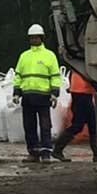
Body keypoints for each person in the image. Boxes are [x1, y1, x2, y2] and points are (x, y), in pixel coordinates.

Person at [12, 24, 62, 162]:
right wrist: (16, 92)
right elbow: (18, 76)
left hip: (43, 97)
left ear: (42, 38)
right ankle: (33, 152)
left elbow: (55, 76)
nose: (34, 40)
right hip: (27, 97)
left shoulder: (49, 56)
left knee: (45, 125)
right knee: (29, 126)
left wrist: (54, 93)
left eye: (36, 37)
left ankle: (46, 152)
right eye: (32, 37)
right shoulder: (24, 56)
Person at [52, 69, 97, 163]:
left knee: (92, 125)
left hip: (82, 93)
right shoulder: (83, 64)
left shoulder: (76, 63)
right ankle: (57, 150)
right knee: (78, 125)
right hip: (82, 93)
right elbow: (90, 75)